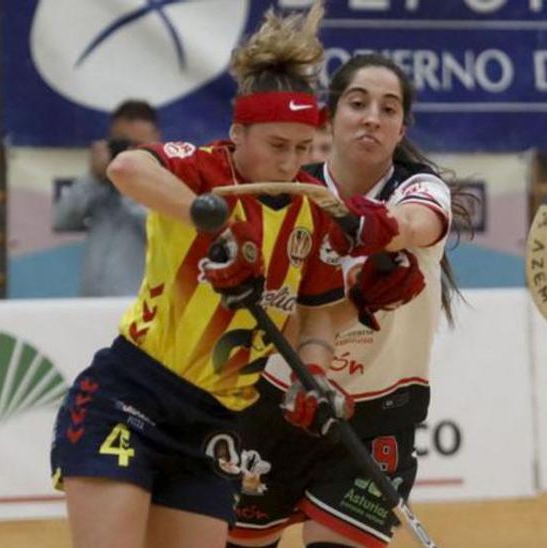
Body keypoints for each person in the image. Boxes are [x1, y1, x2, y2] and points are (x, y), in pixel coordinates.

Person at [49, 5, 350, 547]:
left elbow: (318, 313)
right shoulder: (207, 171)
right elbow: (126, 168)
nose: (290, 162)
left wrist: (316, 375)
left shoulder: (314, 210)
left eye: (303, 149)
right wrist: (210, 224)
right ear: (238, 133)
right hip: (132, 394)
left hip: (215, 423)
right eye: (277, 146)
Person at [229, 53, 472, 548]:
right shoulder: (291, 191)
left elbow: (414, 222)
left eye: (388, 109)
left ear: (402, 128)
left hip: (378, 414)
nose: (372, 118)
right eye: (358, 103)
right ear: (330, 117)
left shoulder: (419, 187)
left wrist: (373, 226)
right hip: (277, 401)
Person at [51, 99, 160, 296]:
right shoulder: (99, 185)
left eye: (137, 145)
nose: (129, 152)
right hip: (91, 304)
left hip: (139, 306)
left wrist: (128, 185)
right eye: (121, 144)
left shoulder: (166, 184)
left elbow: (158, 230)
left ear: (156, 141)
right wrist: (93, 177)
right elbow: (61, 219)